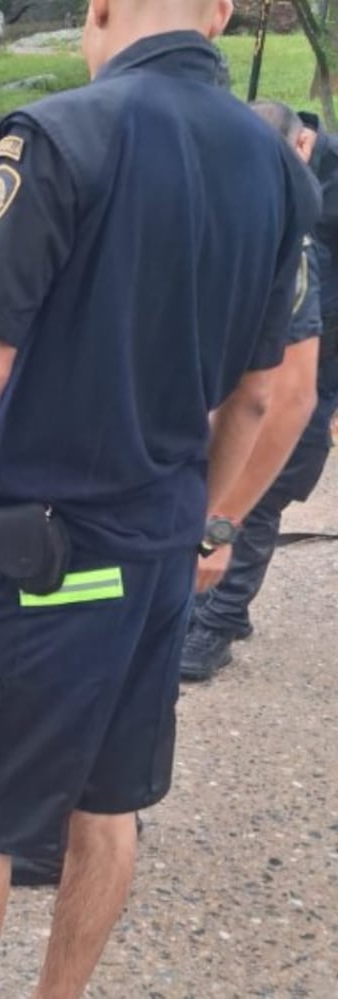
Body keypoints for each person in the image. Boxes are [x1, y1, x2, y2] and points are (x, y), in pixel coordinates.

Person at [0, 0, 318, 993]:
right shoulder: (279, 168)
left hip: (47, 567)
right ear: (220, 14)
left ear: (99, 8)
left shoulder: (61, 135)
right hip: (160, 562)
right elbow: (259, 394)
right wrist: (208, 523)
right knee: (108, 807)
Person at [183, 101, 337, 681]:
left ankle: (221, 619)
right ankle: (209, 593)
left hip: (320, 354)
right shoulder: (255, 162)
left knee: (265, 482)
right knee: (222, 457)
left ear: (301, 148)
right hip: (262, 335)